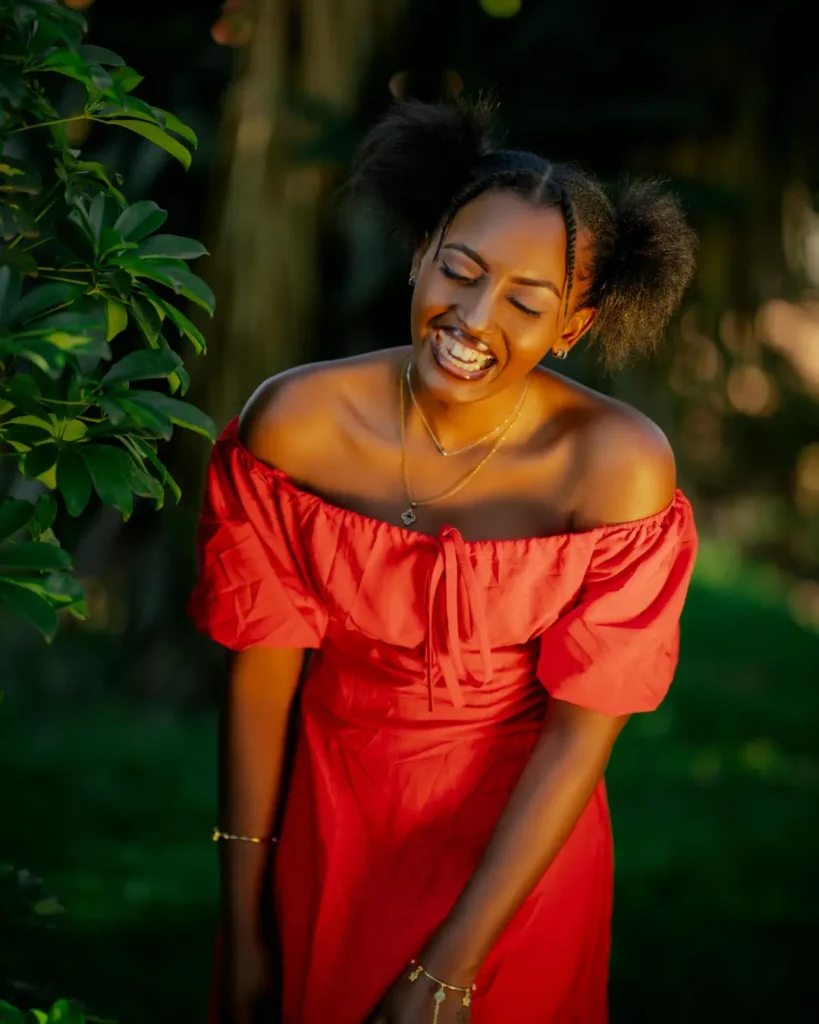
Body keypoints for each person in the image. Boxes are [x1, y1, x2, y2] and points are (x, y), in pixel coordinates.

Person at [188, 98, 699, 1024]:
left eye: (525, 302)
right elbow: (259, 688)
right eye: (458, 270)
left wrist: (448, 972)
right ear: (422, 249)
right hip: (329, 821)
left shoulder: (616, 467)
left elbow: (579, 734)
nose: (471, 316)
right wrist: (246, 925)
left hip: (519, 856)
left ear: (574, 326)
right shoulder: (295, 424)